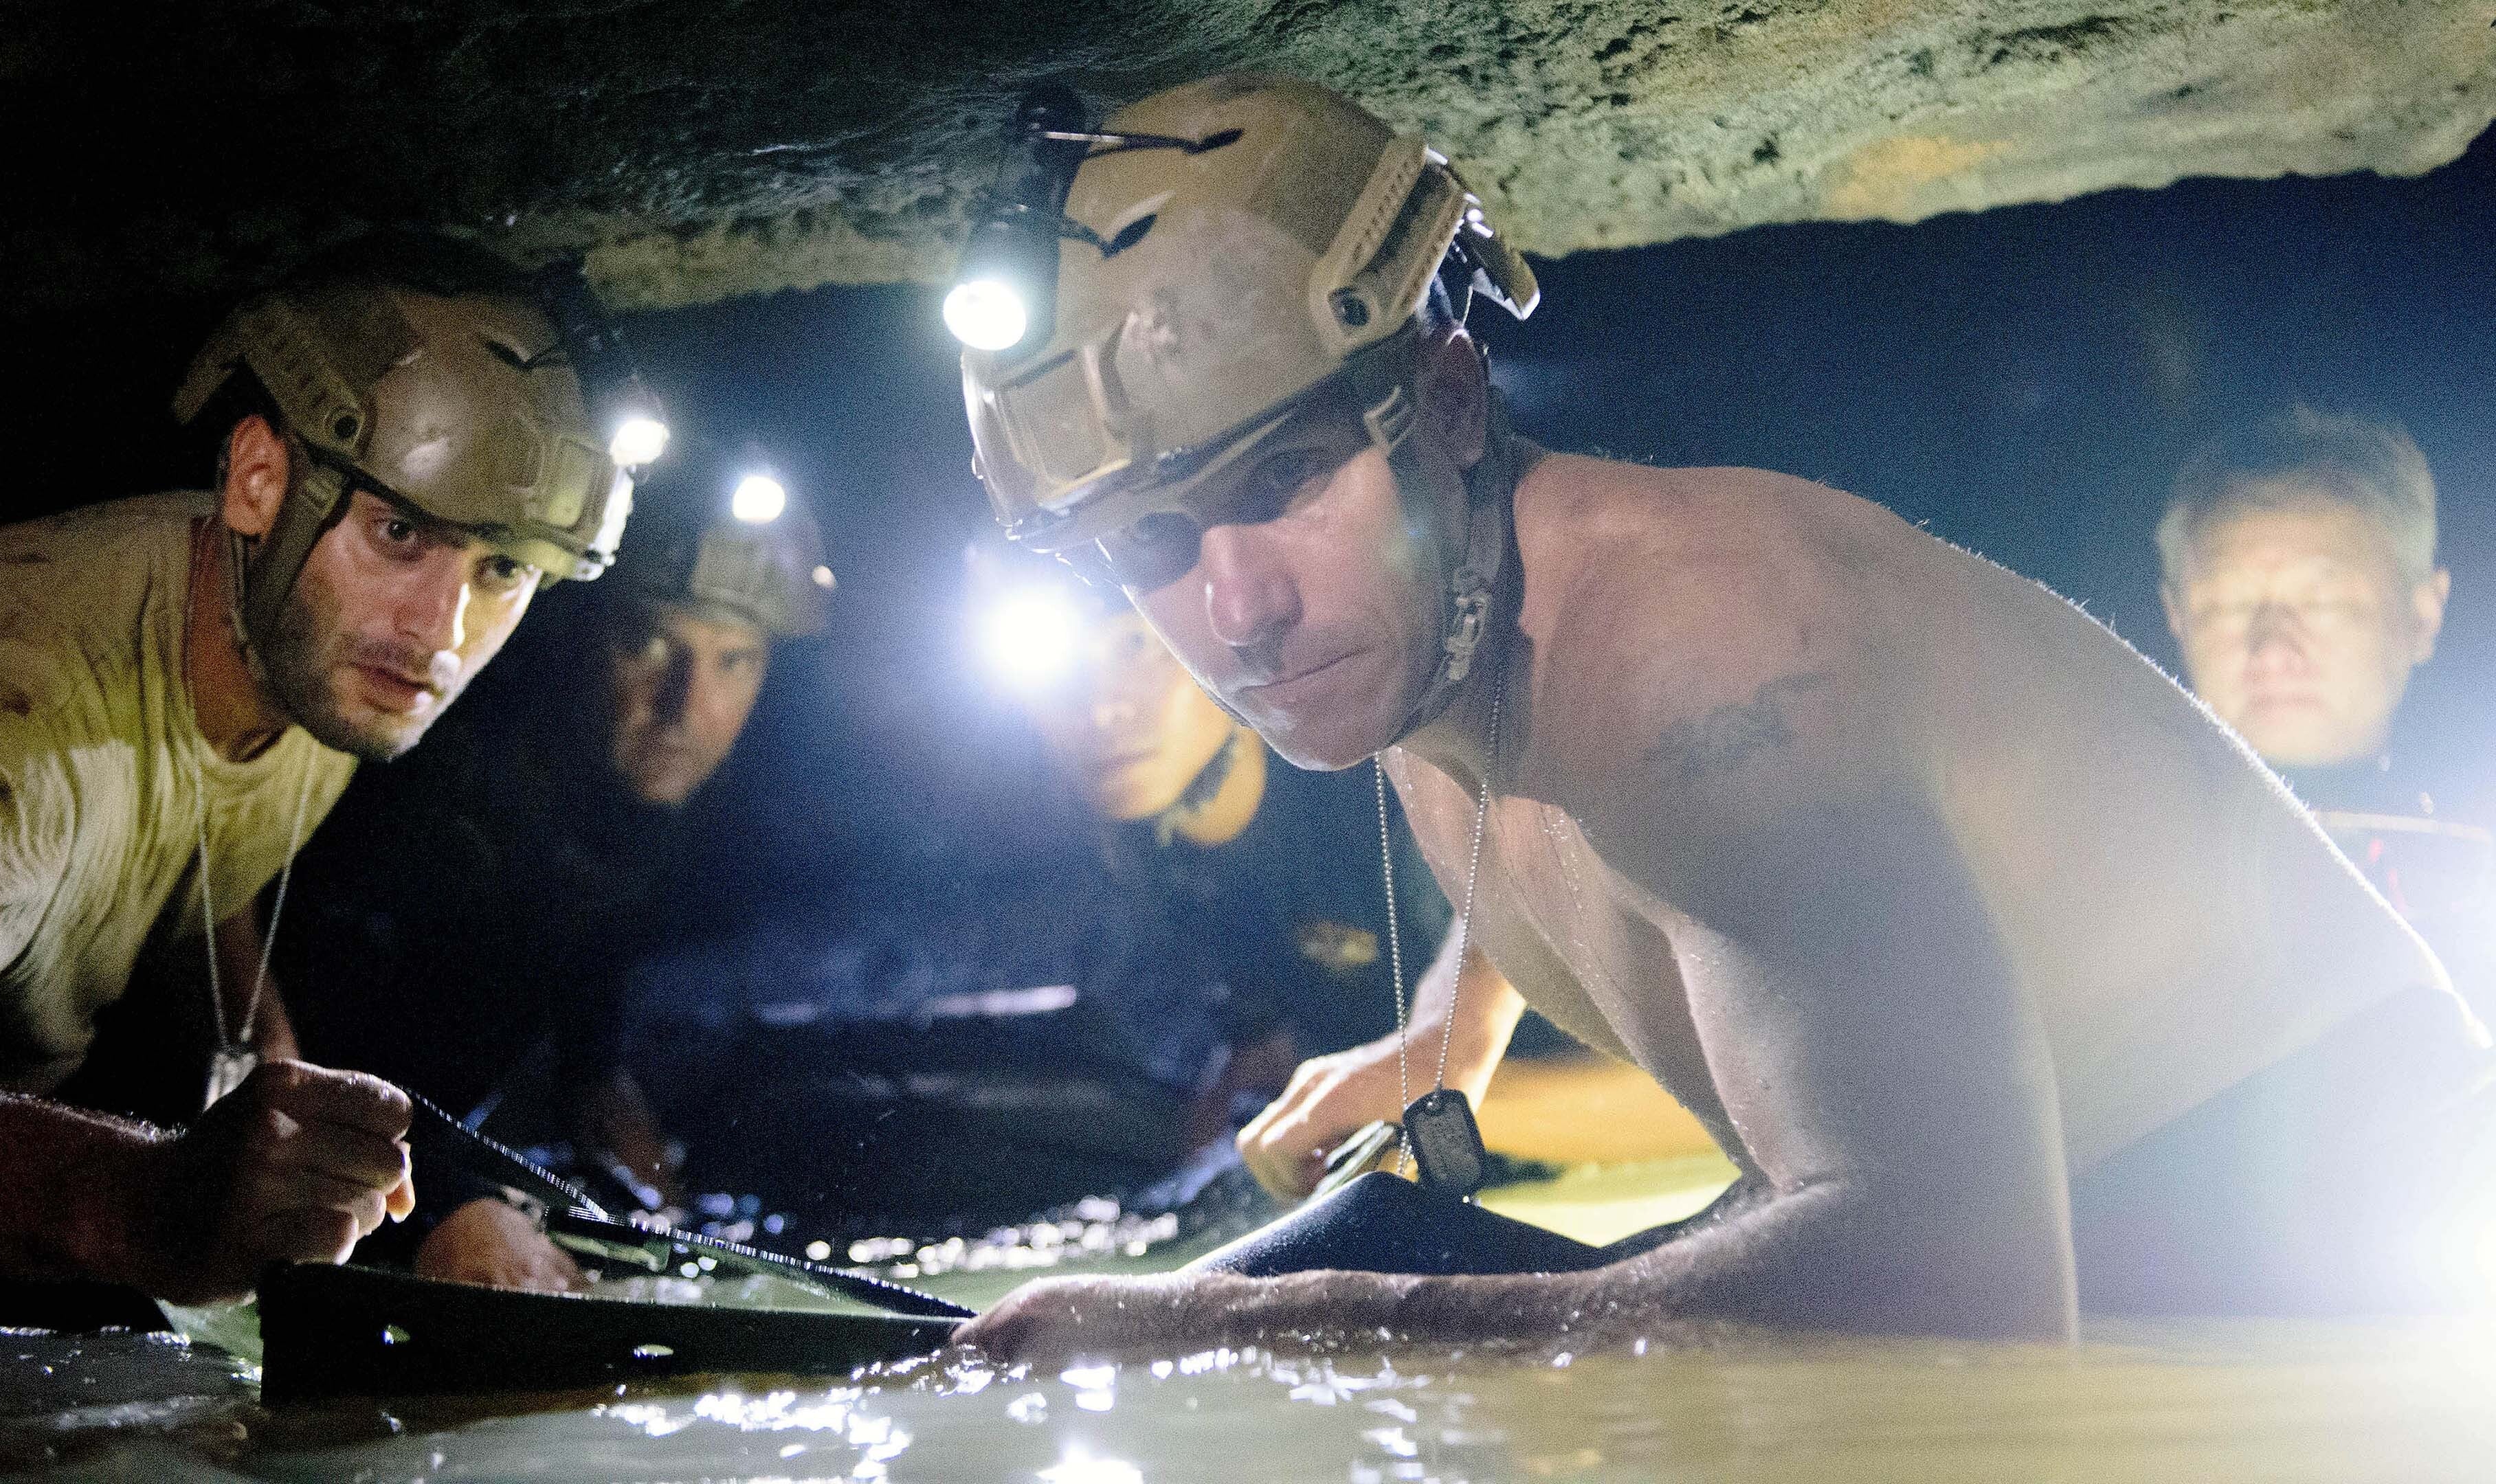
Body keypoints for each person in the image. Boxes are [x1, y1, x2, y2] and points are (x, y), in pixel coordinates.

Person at [940, 74, 2492, 1360]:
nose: (1236, 609)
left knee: (1278, 1343)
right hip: (2073, 1222)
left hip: (2334, 1247)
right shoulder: (1431, 626)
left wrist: (1242, 1329)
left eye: (1280, 481)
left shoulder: (1703, 650)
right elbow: (1570, 799)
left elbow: (1955, 1287)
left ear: (1453, 402)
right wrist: (1448, 1027)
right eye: (1148, 543)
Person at [0, 236, 645, 1324]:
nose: (440, 631)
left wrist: (328, 1142)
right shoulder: (4, 709)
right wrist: (144, 1203)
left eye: (502, 567)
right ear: (259, 481)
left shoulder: (315, 656)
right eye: (400, 531)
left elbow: (203, 856)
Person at [276, 479, 833, 1292]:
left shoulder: (652, 820)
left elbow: (589, 1056)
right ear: (581, 635)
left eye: (733, 661)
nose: (683, 707)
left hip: (405, 1164)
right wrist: (452, 1206)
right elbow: (287, 1061)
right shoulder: (433, 786)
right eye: (650, 645)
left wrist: (658, 1197)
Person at [969, 544, 1480, 1169]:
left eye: (1135, 646)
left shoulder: (1389, 786)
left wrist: (1390, 1109)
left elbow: (1587, 1074)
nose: (1101, 709)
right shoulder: (1144, 847)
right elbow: (1295, 1024)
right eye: (1053, 667)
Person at [2157, 407, 2491, 1017]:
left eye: (2324, 601)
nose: (2272, 649)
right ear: (2176, 616)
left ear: (2422, 616)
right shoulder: (2086, 873)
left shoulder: (2475, 884)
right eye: (2227, 604)